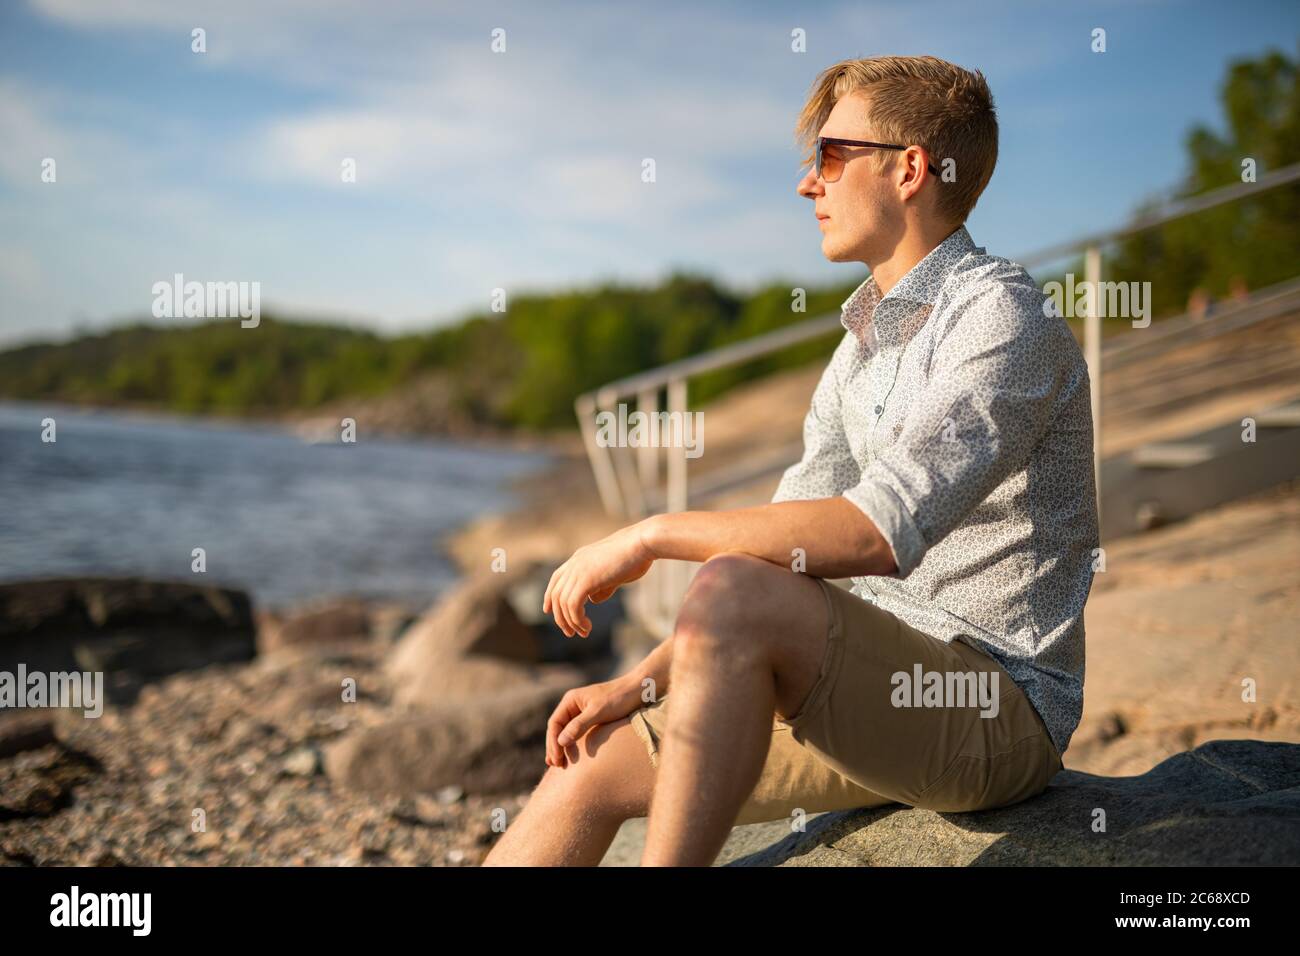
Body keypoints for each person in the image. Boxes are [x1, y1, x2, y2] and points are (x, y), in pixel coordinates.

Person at [483, 55, 1099, 867]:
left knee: (733, 586)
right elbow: (774, 559)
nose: (808, 185)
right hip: (864, 689)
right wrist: (638, 684)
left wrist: (649, 534)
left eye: (830, 155)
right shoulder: (861, 348)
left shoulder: (1002, 320)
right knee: (584, 764)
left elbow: (879, 531)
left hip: (991, 708)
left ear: (909, 168)